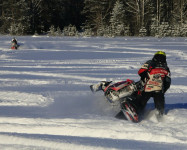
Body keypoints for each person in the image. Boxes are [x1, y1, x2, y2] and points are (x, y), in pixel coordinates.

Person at [135, 51, 171, 116]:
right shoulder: (166, 68)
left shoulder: (149, 63)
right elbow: (168, 82)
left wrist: (144, 77)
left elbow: (140, 72)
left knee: (140, 104)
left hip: (146, 88)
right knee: (160, 110)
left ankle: (136, 115)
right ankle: (161, 120)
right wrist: (163, 91)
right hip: (159, 90)